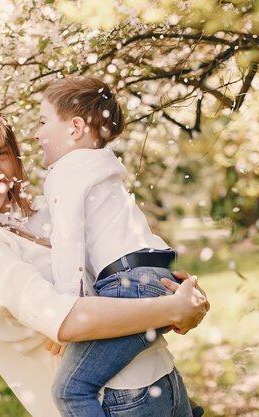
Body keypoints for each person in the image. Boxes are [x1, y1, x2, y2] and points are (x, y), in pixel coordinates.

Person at [0, 101, 210, 417]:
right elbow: (68, 320)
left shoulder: (46, 208)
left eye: (2, 153)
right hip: (110, 402)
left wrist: (183, 294)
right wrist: (171, 309)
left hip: (164, 380)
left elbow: (129, 269)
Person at [35, 76, 199, 417]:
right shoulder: (101, 170)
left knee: (71, 390)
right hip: (153, 275)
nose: (37, 134)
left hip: (128, 285)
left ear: (75, 127)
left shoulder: (64, 172)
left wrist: (65, 317)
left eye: (43, 122)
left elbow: (68, 245)